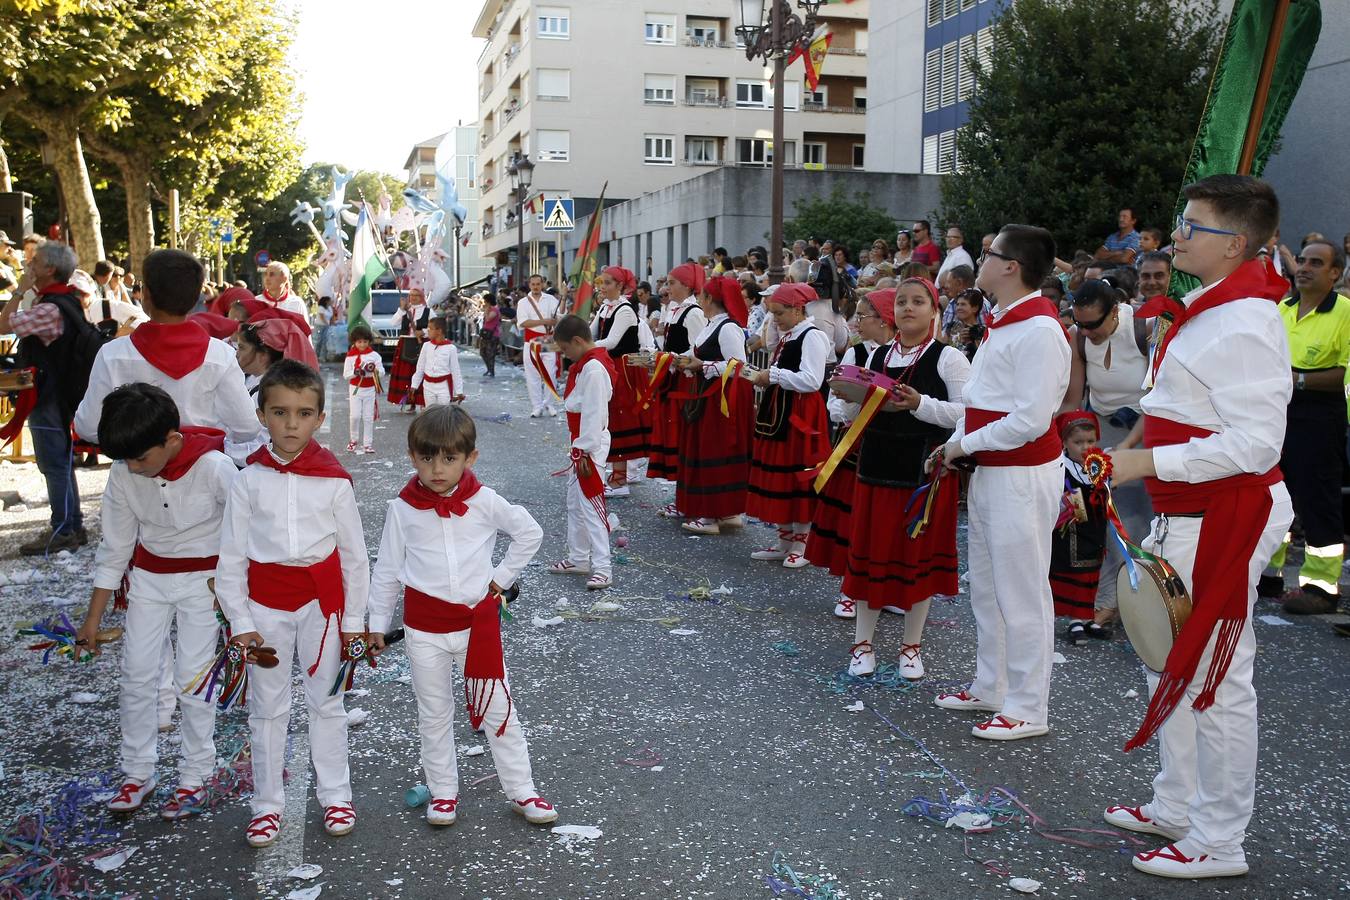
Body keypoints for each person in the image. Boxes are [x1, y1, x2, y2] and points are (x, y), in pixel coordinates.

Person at [1100, 175, 1292, 880]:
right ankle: (1177, 805)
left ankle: (1219, 841)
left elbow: (1256, 446)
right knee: (1167, 657)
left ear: (1235, 243)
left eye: (1191, 227)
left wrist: (1147, 459)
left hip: (1225, 514)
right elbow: (1184, 405)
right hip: (1188, 508)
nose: (1174, 236)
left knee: (1216, 678)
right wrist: (1131, 454)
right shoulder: (1213, 307)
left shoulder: (1245, 322)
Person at [366, 405, 553, 827]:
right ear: (413, 457)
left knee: (498, 707)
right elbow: (388, 571)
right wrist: (376, 625)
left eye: (449, 459)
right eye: (427, 458)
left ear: (470, 458)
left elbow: (530, 532)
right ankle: (444, 792)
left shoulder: (485, 501)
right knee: (433, 712)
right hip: (424, 629)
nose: (437, 469)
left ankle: (523, 790)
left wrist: (501, 578)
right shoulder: (403, 509)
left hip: (476, 628)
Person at [215, 360, 370, 848]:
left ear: (320, 418)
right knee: (267, 707)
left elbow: (355, 559)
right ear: (261, 414)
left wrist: (354, 622)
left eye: (303, 413)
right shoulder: (247, 480)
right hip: (264, 610)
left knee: (327, 702)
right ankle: (267, 805)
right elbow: (232, 558)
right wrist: (240, 621)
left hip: (321, 608)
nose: (291, 424)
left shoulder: (334, 480)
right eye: (279, 412)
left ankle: (336, 794)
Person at [933, 224, 1071, 741]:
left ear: (1011, 266)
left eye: (990, 254)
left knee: (1023, 589)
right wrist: (957, 439)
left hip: (1021, 473)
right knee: (988, 587)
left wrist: (963, 445)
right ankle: (991, 684)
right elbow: (981, 402)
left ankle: (1028, 705)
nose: (981, 260)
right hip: (993, 469)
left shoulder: (1038, 330)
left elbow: (1032, 419)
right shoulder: (1005, 323)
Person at [74, 385, 235, 819]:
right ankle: (137, 772)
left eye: (140, 458)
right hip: (148, 578)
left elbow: (245, 533)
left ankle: (195, 776)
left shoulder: (216, 467)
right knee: (137, 675)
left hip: (207, 583)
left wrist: (235, 594)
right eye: (123, 460)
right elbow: (116, 547)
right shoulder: (125, 472)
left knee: (194, 677)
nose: (131, 468)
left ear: (172, 440)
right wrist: (92, 619)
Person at [845, 279, 970, 679]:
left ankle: (911, 647)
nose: (908, 308)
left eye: (918, 301)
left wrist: (919, 404)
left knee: (916, 562)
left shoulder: (949, 358)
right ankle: (863, 643)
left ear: (934, 310)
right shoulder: (877, 353)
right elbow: (853, 415)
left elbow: (967, 414)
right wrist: (848, 397)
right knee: (870, 555)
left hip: (924, 475)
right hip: (877, 468)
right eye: (901, 302)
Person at [74, 249, 264, 467]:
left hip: (135, 472)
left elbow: (87, 427)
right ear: (195, 298)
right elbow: (247, 428)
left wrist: (135, 441)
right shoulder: (221, 355)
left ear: (145, 294)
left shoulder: (112, 354)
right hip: (205, 472)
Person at [1261, 239, 1350, 614]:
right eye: (1302, 260)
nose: (1305, 267)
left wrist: (1294, 380)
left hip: (1321, 416)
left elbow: (1341, 374)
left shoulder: (1345, 312)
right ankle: (1269, 573)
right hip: (1279, 412)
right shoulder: (1283, 307)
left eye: (1317, 262)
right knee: (1275, 495)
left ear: (1335, 273)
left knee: (1317, 501)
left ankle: (1321, 588)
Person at [1060, 278, 1153, 633]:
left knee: (1139, 524)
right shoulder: (1079, 337)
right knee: (1105, 521)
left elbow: (1160, 398)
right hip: (1101, 432)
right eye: (1079, 323)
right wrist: (1065, 440)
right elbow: (1073, 398)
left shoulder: (1143, 329)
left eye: (1093, 324)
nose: (1086, 331)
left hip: (1145, 428)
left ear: (1115, 311)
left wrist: (1128, 448)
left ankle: (1144, 607)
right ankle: (1108, 602)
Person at [0, 242, 93, 553]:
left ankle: (63, 529)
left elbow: (3, 324)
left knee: (53, 463)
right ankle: (73, 523)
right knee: (61, 461)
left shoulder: (49, 308)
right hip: (63, 392)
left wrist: (17, 292)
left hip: (47, 395)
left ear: (49, 269)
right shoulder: (68, 302)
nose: (29, 264)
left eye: (35, 261)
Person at [808, 289, 895, 619]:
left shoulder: (905, 355)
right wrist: (847, 407)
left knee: (884, 520)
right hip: (856, 442)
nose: (856, 322)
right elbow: (835, 398)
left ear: (883, 319)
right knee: (852, 518)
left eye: (863, 315)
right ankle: (849, 587)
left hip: (892, 445)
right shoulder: (856, 353)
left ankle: (884, 587)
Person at [745, 282, 832, 568]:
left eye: (779, 313)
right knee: (781, 473)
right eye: (772, 313)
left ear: (798, 310)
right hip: (782, 408)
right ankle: (785, 539)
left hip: (800, 411)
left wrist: (773, 375)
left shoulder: (812, 336)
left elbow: (812, 380)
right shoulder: (790, 334)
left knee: (798, 472)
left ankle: (802, 542)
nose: (776, 319)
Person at [672, 276, 753, 537]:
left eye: (702, 296)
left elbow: (738, 364)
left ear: (709, 299)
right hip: (709, 393)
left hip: (722, 399)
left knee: (713, 449)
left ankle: (711, 514)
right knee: (709, 447)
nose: (699, 300)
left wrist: (702, 366)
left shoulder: (728, 328)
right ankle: (726, 512)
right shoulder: (713, 325)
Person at [547, 315, 616, 590]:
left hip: (590, 446)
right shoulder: (586, 366)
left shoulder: (594, 370)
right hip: (581, 444)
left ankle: (603, 566)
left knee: (591, 506)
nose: (565, 356)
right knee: (575, 504)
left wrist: (585, 450)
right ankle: (579, 557)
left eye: (565, 350)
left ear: (577, 341)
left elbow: (594, 413)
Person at [1048, 411, 1108, 645]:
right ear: (1064, 442)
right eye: (1078, 442)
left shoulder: (1098, 466)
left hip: (1094, 528)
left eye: (1090, 441)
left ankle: (1087, 616)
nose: (1085, 447)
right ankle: (1074, 619)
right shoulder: (1062, 469)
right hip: (1070, 532)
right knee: (1074, 572)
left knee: (1093, 570)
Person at [590, 266, 650, 497]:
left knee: (620, 419)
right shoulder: (606, 307)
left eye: (607, 283)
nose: (602, 287)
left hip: (623, 370)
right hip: (610, 367)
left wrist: (582, 346)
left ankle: (620, 480)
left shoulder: (625, 310)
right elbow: (592, 331)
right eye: (601, 282)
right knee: (610, 418)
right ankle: (616, 475)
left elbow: (612, 341)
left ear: (621, 286)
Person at [648, 264, 706, 495]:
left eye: (672, 283)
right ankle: (681, 494)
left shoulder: (693, 313)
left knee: (681, 434)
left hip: (686, 380)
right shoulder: (675, 310)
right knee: (673, 432)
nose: (666, 288)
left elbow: (698, 349)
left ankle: (686, 493)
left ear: (687, 285)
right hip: (673, 377)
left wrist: (670, 358)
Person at [518, 275, 561, 417]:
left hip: (548, 339)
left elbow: (560, 315)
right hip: (531, 341)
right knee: (533, 375)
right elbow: (523, 322)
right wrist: (545, 321)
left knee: (551, 373)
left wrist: (564, 298)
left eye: (538, 284)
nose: (536, 287)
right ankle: (537, 407)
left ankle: (549, 403)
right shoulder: (523, 302)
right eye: (533, 284)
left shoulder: (551, 299)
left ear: (542, 284)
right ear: (529, 285)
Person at [343, 324, 384, 454]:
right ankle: (353, 439)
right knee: (354, 416)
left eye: (365, 342)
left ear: (369, 341)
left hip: (370, 389)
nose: (362, 345)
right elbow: (346, 375)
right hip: (355, 388)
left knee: (368, 417)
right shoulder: (350, 356)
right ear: (354, 342)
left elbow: (381, 371)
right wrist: (356, 372)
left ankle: (368, 443)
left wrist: (374, 371)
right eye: (359, 342)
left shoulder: (375, 356)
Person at [387, 289, 431, 411]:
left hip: (422, 344)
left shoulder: (428, 311)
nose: (413, 298)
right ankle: (409, 402)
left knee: (421, 372)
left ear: (421, 297)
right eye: (411, 295)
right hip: (405, 344)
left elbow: (435, 326)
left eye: (416, 295)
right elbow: (392, 323)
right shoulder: (404, 311)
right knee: (407, 374)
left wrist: (423, 332)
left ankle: (422, 402)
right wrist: (401, 309)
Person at [411, 317, 465, 409]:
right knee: (430, 412)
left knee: (443, 413)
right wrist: (414, 385)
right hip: (428, 386)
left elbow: (455, 371)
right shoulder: (426, 346)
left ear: (439, 331)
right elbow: (420, 368)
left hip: (444, 386)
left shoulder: (451, 348)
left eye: (430, 329)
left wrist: (459, 391)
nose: (428, 331)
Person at [943, 288, 987, 361]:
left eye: (963, 304)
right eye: (957, 304)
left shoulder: (982, 331)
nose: (959, 308)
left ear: (975, 308)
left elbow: (983, 357)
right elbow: (943, 350)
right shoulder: (951, 327)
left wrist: (971, 341)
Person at [479, 294, 502, 377]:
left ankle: (491, 371)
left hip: (493, 334)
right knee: (482, 352)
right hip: (485, 333)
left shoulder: (495, 310)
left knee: (490, 353)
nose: (484, 302)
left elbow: (488, 318)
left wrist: (486, 310)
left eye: (485, 301)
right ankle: (488, 369)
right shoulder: (488, 309)